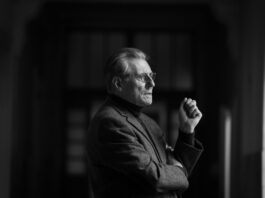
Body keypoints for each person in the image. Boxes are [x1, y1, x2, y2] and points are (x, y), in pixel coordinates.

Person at [86, 47, 203, 198]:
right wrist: (180, 171)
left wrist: (187, 130)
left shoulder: (149, 122)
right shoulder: (109, 122)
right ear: (118, 84)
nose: (152, 83)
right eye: (142, 77)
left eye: (151, 76)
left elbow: (173, 175)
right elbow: (156, 178)